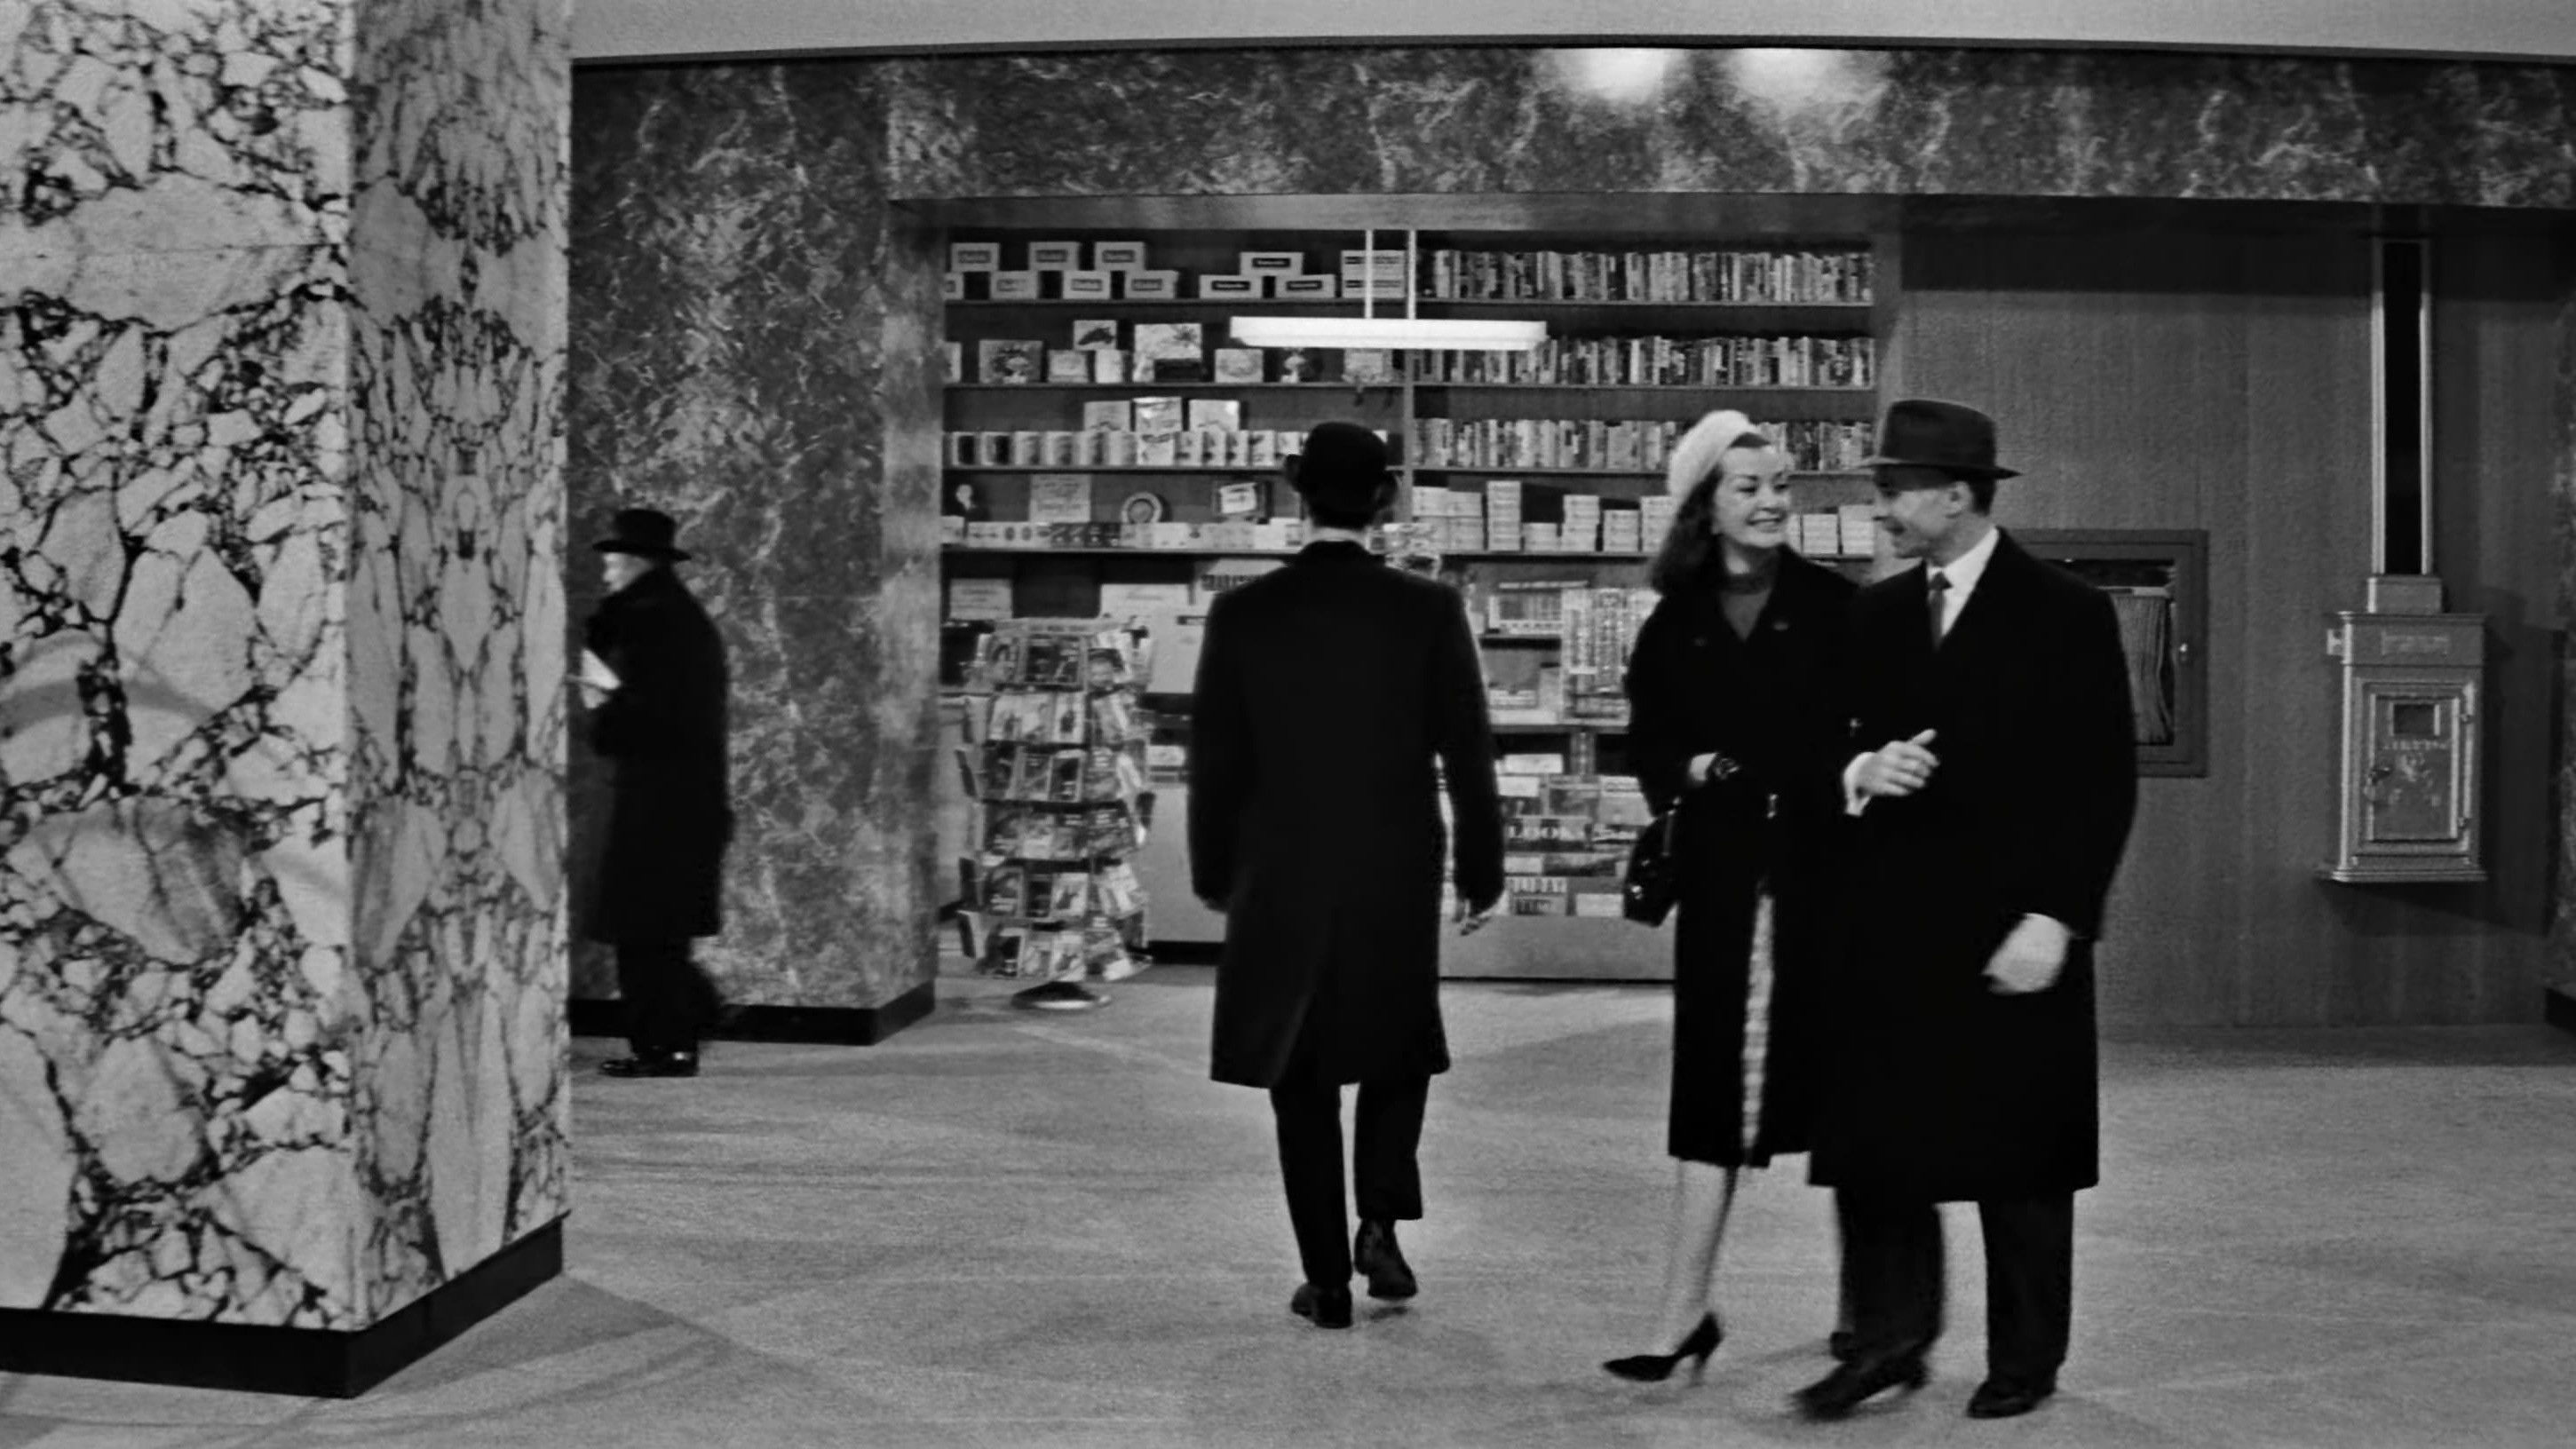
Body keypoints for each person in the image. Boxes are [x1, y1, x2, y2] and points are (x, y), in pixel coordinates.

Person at [1795, 400, 2137, 1421]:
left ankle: (2025, 1359)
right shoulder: (1873, 614)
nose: (1881, 508)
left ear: (1956, 495)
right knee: (1878, 1146)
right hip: (1888, 924)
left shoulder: (2067, 612)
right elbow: (1820, 740)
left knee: (2020, 1155)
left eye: (1895, 490)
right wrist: (1859, 768)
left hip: (2013, 924)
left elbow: (2101, 783)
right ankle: (1887, 1340)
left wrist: (2058, 918)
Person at [1187, 421, 1506, 1331]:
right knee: (1396, 1044)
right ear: (1385, 499)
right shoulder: (1428, 609)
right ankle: (1380, 1221)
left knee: (1300, 1067)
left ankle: (1324, 1278)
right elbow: (1468, 750)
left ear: (1298, 491)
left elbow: (1217, 760)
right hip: (1394, 862)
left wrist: (1214, 872)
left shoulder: (1243, 614)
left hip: (1281, 864)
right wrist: (1481, 867)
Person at [1604, 411, 1857, 1384]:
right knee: (1711, 1093)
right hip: (1724, 885)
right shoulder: (1674, 621)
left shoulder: (1837, 605)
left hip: (1827, 881)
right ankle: (1681, 1314)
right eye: (1747, 487)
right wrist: (1696, 767)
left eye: (1781, 484)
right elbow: (1648, 746)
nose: (1770, 502)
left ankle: (1870, 1316)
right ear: (1704, 507)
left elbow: (1864, 731)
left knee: (1849, 1099)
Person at [582, 507, 735, 1080]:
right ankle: (676, 1031)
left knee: (647, 931)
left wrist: (602, 703)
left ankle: (666, 1044)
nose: (607, 571)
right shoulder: (674, 618)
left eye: (615, 559)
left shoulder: (651, 622)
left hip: (659, 801)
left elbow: (649, 715)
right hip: (680, 799)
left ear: (640, 562)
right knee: (657, 930)